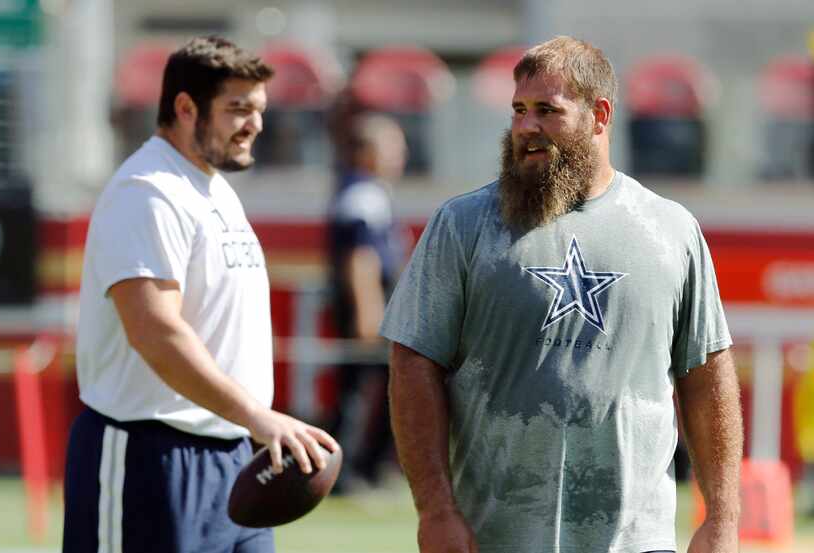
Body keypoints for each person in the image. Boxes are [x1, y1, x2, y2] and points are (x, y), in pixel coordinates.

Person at [381, 36, 743, 553]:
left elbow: (707, 376)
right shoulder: (463, 225)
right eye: (518, 110)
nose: (526, 127)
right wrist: (435, 509)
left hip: (637, 543)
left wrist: (723, 520)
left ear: (599, 115)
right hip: (496, 538)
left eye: (547, 110)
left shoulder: (671, 230)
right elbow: (413, 362)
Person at [63, 36, 338, 553]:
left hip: (235, 456)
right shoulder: (147, 191)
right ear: (185, 107)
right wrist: (258, 416)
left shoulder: (211, 189)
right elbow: (155, 331)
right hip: (151, 457)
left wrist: (252, 426)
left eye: (258, 109)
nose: (255, 124)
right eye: (237, 109)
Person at [326, 113, 409, 491]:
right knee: (359, 393)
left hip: (374, 304)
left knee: (365, 389)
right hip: (368, 307)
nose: (400, 156)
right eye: (391, 148)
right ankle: (347, 472)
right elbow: (361, 260)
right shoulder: (363, 195)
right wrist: (368, 312)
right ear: (365, 152)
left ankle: (363, 467)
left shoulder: (366, 191)